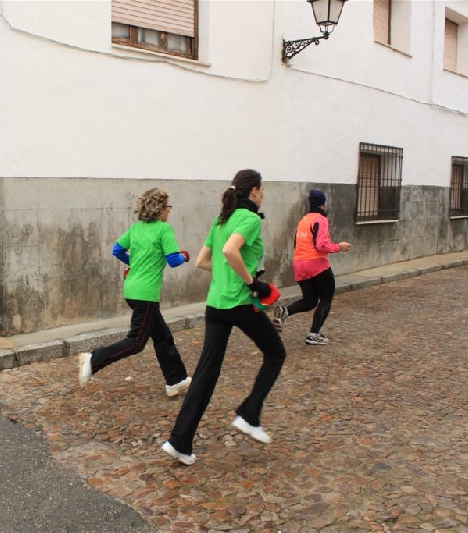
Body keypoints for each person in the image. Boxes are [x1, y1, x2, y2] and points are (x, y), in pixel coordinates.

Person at [161, 169, 286, 466]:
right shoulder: (251, 219)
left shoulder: (222, 219)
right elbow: (231, 251)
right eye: (262, 189)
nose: (263, 193)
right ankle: (249, 414)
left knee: (206, 373)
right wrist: (251, 282)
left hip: (215, 304)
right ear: (254, 191)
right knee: (276, 353)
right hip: (240, 303)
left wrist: (230, 274)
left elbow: (204, 261)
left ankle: (179, 441)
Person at [78, 188, 192, 397]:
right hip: (146, 294)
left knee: (162, 337)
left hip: (132, 289)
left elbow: (117, 250)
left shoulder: (136, 229)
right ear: (160, 209)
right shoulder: (164, 230)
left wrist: (135, 263)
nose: (170, 211)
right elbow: (173, 261)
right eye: (169, 207)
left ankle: (176, 380)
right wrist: (185, 255)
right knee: (136, 342)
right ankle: (94, 360)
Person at [273, 189, 352, 345]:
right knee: (326, 299)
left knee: (309, 301)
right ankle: (314, 334)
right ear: (323, 204)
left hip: (299, 264)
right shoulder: (321, 219)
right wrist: (338, 247)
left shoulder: (303, 221)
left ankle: (285, 311)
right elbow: (321, 245)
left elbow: (296, 244)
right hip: (317, 264)